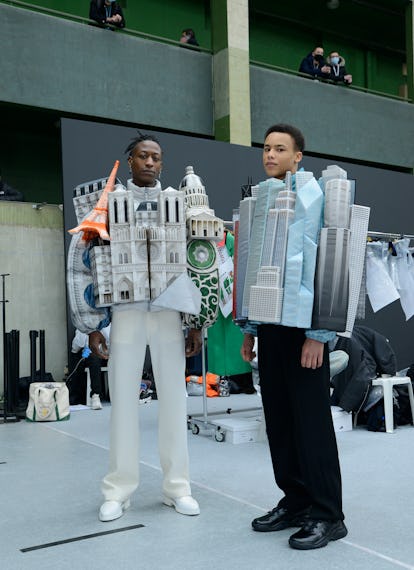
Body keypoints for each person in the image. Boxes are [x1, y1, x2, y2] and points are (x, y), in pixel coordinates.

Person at [68, 132, 205, 522]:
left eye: (156, 158)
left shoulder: (178, 204)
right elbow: (80, 263)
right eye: (142, 156)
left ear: (163, 163)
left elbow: (198, 262)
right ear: (129, 161)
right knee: (123, 402)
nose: (150, 163)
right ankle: (119, 489)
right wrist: (91, 325)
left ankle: (178, 487)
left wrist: (195, 322)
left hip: (169, 312)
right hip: (126, 312)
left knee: (175, 401)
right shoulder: (107, 204)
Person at [241, 124, 347, 550]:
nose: (270, 155)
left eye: (279, 149)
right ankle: (296, 500)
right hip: (270, 326)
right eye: (266, 148)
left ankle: (328, 514)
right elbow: (249, 261)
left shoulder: (318, 196)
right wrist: (250, 328)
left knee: (312, 423)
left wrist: (319, 335)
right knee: (280, 420)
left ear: (298, 156)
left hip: (306, 331)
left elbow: (333, 262)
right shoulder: (261, 200)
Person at [68, 325, 111, 409]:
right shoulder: (83, 325)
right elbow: (75, 347)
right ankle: (89, 395)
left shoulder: (108, 326)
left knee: (95, 356)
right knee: (90, 357)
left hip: (107, 355)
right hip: (89, 356)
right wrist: (88, 332)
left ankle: (98, 394)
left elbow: (111, 344)